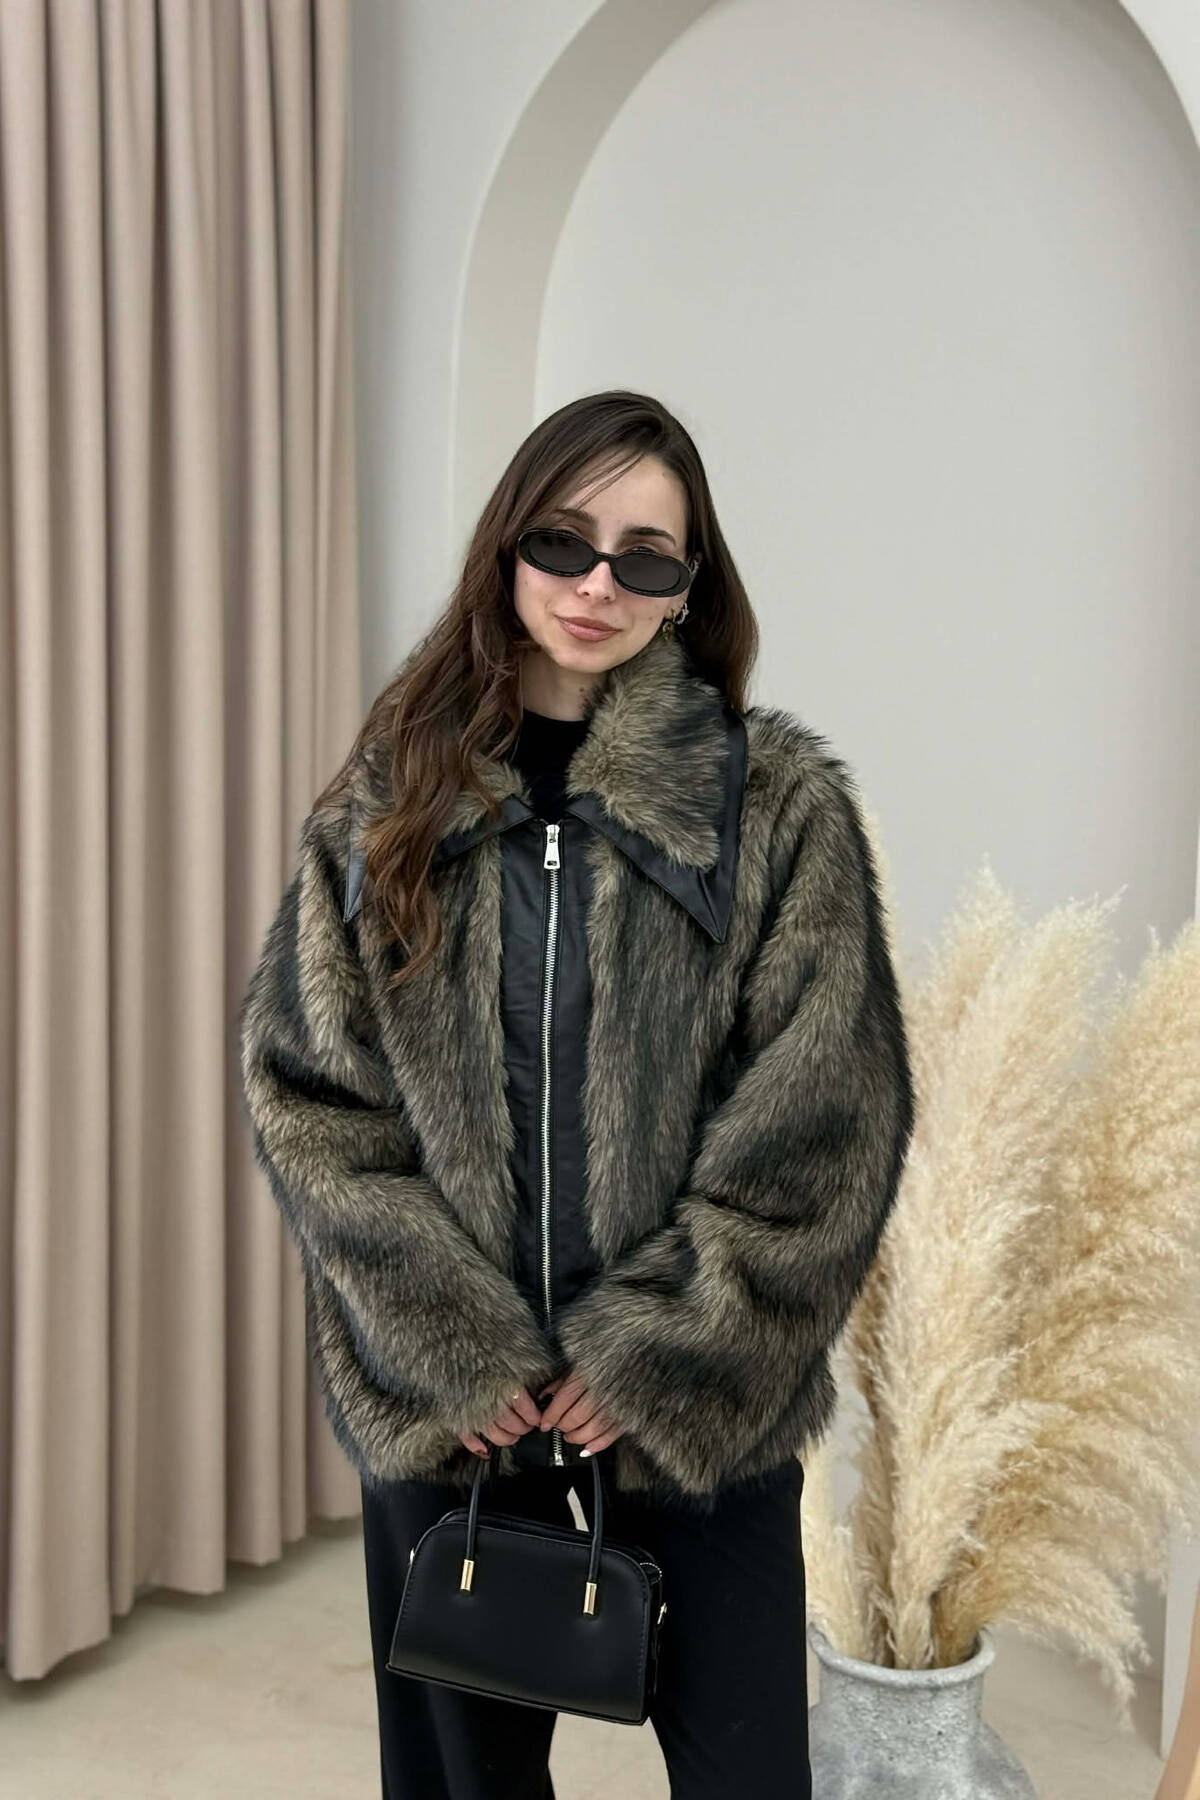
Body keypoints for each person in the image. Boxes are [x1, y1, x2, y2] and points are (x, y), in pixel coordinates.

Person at [237, 389, 916, 1799]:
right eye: (563, 541)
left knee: (747, 1778)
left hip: (693, 1418)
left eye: (644, 558)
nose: (597, 584)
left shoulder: (776, 809)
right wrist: (453, 1339)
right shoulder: (386, 803)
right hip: (457, 1422)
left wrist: (656, 1347)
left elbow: (825, 1117)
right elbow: (312, 1096)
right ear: (508, 549)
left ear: (687, 589)